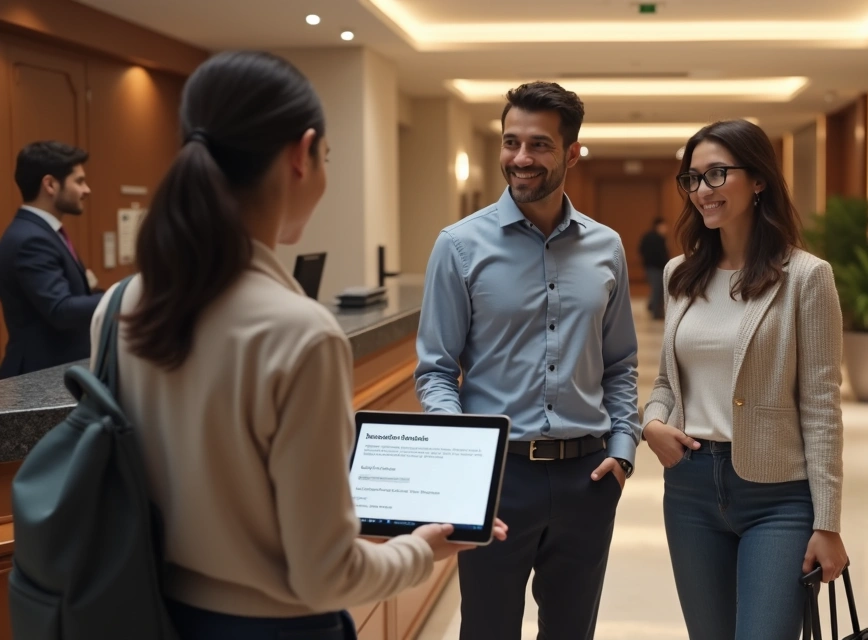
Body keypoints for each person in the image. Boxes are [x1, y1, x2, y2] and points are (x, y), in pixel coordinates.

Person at [90, 51, 503, 640]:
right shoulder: (301, 334)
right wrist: (419, 548)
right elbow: (325, 574)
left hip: (145, 614)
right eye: (327, 157)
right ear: (301, 155)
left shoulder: (117, 306)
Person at [415, 81, 640, 640]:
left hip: (587, 476)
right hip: (498, 477)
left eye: (539, 145)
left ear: (571, 154)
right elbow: (436, 371)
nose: (520, 158)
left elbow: (620, 364)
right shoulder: (459, 246)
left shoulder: (606, 247)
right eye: (511, 142)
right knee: (487, 630)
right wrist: (464, 462)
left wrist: (622, 452)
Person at [642, 119, 849, 640]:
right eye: (692, 179)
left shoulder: (806, 277)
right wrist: (652, 424)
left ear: (758, 180)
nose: (702, 190)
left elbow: (822, 407)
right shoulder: (679, 274)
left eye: (717, 174)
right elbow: (667, 381)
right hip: (689, 489)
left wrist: (827, 522)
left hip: (777, 497)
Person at [0, 141, 102, 379]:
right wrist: (122, 295)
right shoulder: (31, 239)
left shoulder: (41, 232)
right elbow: (61, 310)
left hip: (52, 372)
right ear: (50, 184)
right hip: (38, 379)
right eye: (79, 181)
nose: (87, 190)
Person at [639, 217, 670, 320]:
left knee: (657, 289)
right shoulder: (656, 238)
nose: (666, 228)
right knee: (658, 289)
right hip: (656, 268)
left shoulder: (651, 237)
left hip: (652, 267)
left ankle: (652, 307)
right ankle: (656, 312)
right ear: (658, 226)